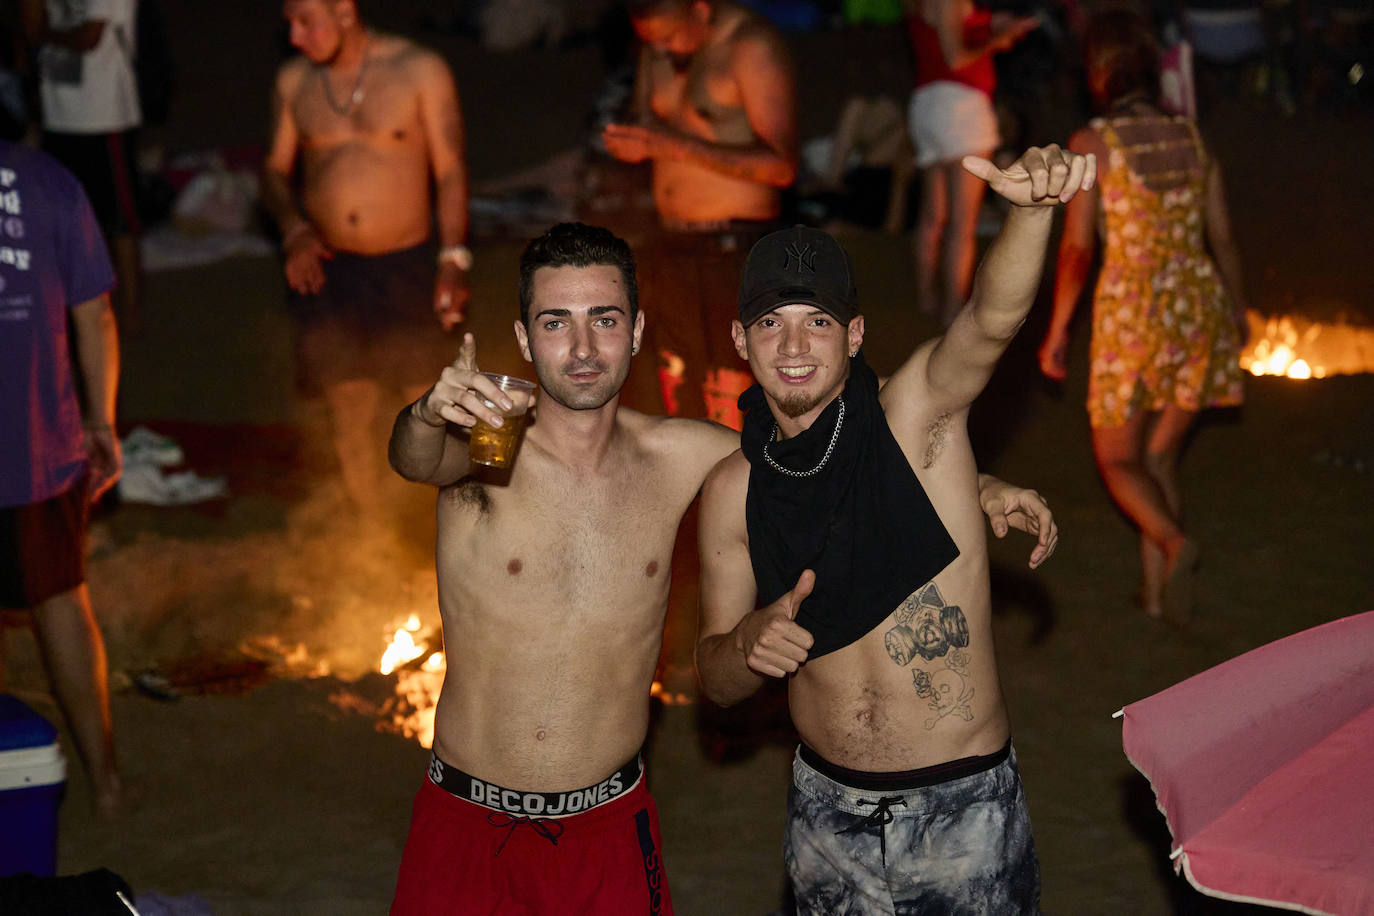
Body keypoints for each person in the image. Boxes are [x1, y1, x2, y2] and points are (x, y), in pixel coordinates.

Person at [386, 222, 1059, 914]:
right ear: (526, 340)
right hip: (466, 816)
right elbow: (416, 459)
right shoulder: (488, 448)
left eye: (604, 320)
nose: (583, 347)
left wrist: (976, 483)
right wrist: (425, 413)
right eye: (556, 322)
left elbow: (825, 432)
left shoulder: (685, 456)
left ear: (638, 330)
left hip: (607, 819)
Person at [696, 145, 1093, 912]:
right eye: (770, 323)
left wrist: (1031, 215)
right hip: (825, 816)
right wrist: (746, 646)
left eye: (818, 321)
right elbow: (713, 678)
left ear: (853, 334)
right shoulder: (731, 492)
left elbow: (990, 320)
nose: (794, 345)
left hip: (962, 810)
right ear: (742, 342)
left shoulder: (916, 421)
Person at [1038, 8, 1247, 624]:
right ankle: (1159, 596)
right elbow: (1225, 237)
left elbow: (1078, 248)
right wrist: (1238, 312)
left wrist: (1056, 332)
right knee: (1158, 459)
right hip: (1198, 308)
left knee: (1118, 461)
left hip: (1134, 314)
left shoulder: (1093, 143)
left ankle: (1176, 544)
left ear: (1098, 70)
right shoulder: (1192, 135)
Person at [262, 0, 469, 522]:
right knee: (347, 408)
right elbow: (271, 171)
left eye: (305, 21)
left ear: (345, 10)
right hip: (331, 269)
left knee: (427, 406)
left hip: (405, 266)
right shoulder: (294, 82)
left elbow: (450, 170)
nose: (294, 36)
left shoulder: (418, 69)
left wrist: (453, 257)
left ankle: (440, 536)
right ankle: (371, 539)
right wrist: (293, 230)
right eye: (289, 22)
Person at [0, 139, 124, 817]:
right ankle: (106, 785)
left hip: (35, 444)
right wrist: (101, 423)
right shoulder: (49, 181)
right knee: (60, 600)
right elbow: (94, 313)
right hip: (35, 438)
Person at [602, 0, 797, 430]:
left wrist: (674, 146)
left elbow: (782, 166)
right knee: (679, 392)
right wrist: (630, 140)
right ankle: (693, 495)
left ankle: (756, 491)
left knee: (735, 396)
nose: (664, 49)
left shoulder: (749, 46)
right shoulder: (658, 48)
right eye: (650, 41)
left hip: (736, 248)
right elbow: (648, 125)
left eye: (671, 36)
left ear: (701, 9)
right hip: (671, 244)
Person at [904, 0, 1037, 325]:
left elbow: (950, 32)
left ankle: (926, 298)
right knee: (962, 224)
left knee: (933, 216)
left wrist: (993, 25)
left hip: (928, 103)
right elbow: (957, 58)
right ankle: (952, 310)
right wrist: (997, 41)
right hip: (960, 106)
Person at [20, 0, 143, 329]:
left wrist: (45, 32)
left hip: (104, 114)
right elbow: (28, 28)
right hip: (57, 112)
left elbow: (89, 37)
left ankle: (131, 311)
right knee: (58, 218)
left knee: (119, 219)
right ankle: (65, 310)